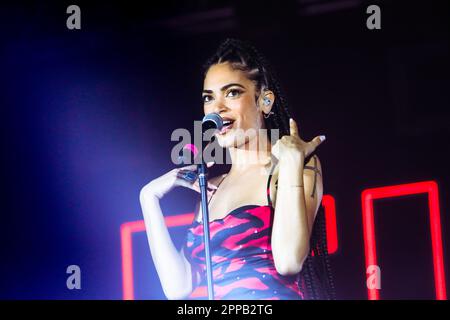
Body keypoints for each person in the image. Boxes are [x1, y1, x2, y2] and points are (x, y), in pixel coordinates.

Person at [139, 38, 335, 300]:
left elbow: (288, 260)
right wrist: (148, 198)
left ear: (264, 101)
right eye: (209, 98)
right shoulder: (211, 187)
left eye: (232, 93)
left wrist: (290, 164)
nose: (217, 108)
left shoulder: (293, 167)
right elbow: (179, 287)